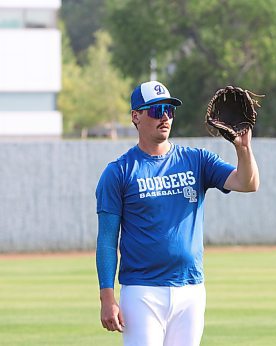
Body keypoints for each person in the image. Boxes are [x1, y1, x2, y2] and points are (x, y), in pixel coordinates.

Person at [95, 80, 259, 346]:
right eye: (156, 110)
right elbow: (106, 240)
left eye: (169, 110)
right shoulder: (119, 172)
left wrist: (243, 148)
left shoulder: (196, 160)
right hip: (142, 292)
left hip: (191, 289)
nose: (165, 117)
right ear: (136, 116)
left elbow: (247, 183)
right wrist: (107, 297)